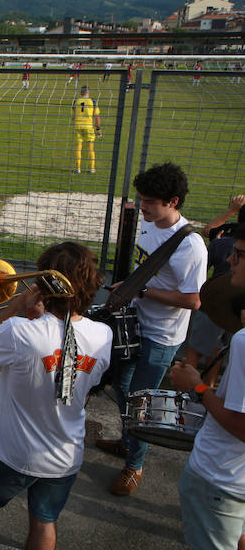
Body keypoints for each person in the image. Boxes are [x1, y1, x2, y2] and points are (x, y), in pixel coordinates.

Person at [0, 242, 111, 549]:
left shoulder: (19, 331)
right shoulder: (103, 335)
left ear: (45, 286)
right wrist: (40, 320)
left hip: (12, 450)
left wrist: (17, 308)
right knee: (44, 521)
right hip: (65, 454)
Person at [96, 162, 208, 496]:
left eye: (150, 201)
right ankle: (130, 441)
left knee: (141, 403)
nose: (142, 206)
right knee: (121, 385)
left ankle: (135, 464)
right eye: (142, 198)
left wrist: (143, 292)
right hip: (134, 322)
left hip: (162, 337)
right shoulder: (149, 225)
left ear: (172, 202)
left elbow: (194, 300)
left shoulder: (191, 246)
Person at [170, 223, 245, 550]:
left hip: (221, 479)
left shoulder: (244, 342)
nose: (230, 260)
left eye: (239, 254)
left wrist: (197, 387)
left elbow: (242, 426)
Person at [183, 194, 245, 386]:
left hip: (214, 305)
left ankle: (189, 390)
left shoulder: (222, 243)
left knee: (196, 350)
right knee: (217, 352)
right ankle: (208, 387)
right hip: (236, 310)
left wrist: (231, 210)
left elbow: (208, 230)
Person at [71, 86, 101, 174]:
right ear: (88, 92)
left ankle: (78, 168)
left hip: (78, 126)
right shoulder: (93, 102)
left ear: (81, 93)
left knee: (78, 148)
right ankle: (92, 168)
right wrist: (98, 129)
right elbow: (97, 116)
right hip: (88, 127)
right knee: (90, 148)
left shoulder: (76, 102)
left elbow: (73, 116)